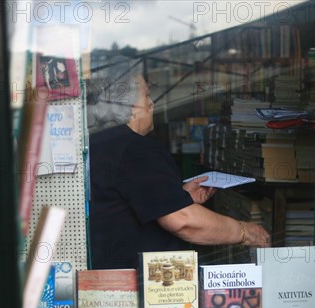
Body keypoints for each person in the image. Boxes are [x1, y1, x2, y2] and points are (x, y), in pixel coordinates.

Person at [87, 56, 270, 269]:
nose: (152, 103)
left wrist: (178, 197)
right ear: (129, 106)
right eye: (146, 95)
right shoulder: (137, 150)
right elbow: (183, 221)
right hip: (139, 284)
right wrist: (244, 231)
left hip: (108, 275)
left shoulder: (100, 143)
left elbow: (128, 204)